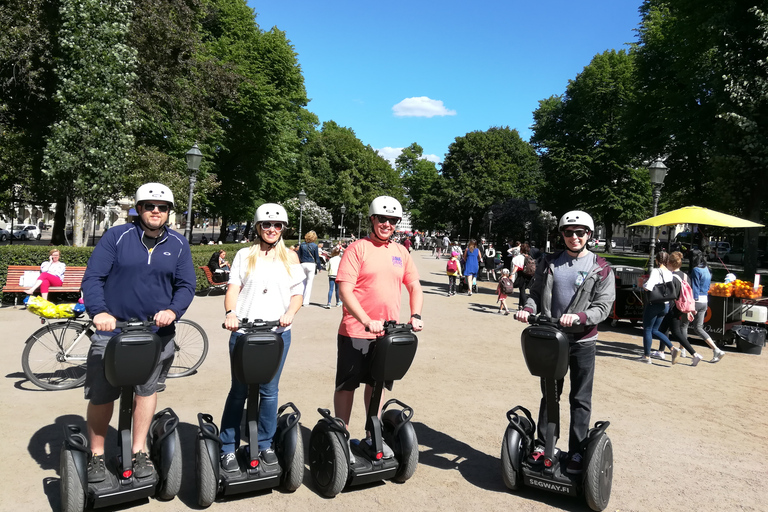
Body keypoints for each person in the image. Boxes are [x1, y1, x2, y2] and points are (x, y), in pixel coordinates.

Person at [81, 183, 196, 483]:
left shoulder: (179, 244)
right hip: (113, 332)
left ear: (169, 212)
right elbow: (93, 277)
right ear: (138, 208)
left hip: (155, 334)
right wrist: (100, 312)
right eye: (149, 206)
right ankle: (95, 453)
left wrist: (173, 311)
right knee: (103, 393)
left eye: (162, 207)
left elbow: (186, 286)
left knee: (147, 391)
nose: (155, 211)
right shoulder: (116, 237)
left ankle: (139, 449)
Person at [514, 210, 615, 475]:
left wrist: (581, 317)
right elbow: (535, 293)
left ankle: (578, 452)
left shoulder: (600, 267)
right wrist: (527, 307)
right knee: (550, 394)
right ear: (562, 235)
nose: (574, 237)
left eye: (580, 233)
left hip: (582, 341)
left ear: (589, 235)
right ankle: (545, 445)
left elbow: (603, 306)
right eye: (569, 232)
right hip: (552, 338)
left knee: (580, 398)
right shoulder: (550, 262)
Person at [333, 195, 423, 462]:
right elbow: (345, 289)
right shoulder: (357, 249)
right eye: (382, 219)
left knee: (377, 385)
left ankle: (373, 434)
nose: (387, 224)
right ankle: (342, 435)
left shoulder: (400, 252)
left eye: (392, 220)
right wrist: (364, 319)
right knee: (347, 385)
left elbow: (414, 285)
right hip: (355, 331)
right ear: (372, 219)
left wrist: (416, 314)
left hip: (388, 334)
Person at [219, 203, 304, 472]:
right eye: (266, 224)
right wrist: (231, 312)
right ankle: (227, 447)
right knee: (239, 391)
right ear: (258, 227)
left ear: (283, 229)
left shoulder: (291, 257)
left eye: (277, 225)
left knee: (269, 391)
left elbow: (297, 293)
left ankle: (265, 443)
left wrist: (290, 312)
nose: (272, 229)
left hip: (277, 333)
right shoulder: (245, 255)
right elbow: (233, 288)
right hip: (244, 332)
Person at [654, 251, 704, 366]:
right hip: (681, 307)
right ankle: (661, 351)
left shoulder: (672, 277)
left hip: (672, 307)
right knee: (664, 329)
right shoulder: (685, 276)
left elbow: (670, 294)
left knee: (675, 332)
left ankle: (694, 354)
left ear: (669, 263)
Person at [640, 250, 680, 364]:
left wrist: (643, 284)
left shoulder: (656, 271)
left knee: (647, 329)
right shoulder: (669, 272)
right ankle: (672, 348)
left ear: (656, 260)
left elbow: (649, 287)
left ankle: (646, 356)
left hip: (654, 303)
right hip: (665, 305)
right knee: (655, 330)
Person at [689, 249, 726, 362]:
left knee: (684, 325)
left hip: (696, 300)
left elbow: (695, 287)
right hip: (705, 300)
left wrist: (691, 303)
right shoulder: (706, 269)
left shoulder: (695, 270)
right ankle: (715, 349)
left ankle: (685, 349)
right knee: (697, 328)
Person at [297, 230, 321, 307]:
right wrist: (319, 267)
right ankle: (305, 301)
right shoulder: (315, 246)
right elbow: (317, 257)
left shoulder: (302, 245)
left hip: (303, 264)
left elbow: (299, 256)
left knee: (302, 282)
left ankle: (300, 299)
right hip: (311, 264)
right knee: (309, 283)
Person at [511, 243, 534, 310]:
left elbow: (516, 266)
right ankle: (520, 304)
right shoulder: (530, 257)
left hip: (522, 275)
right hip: (529, 275)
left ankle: (524, 305)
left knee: (522, 290)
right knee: (522, 290)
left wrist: (512, 274)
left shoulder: (519, 257)